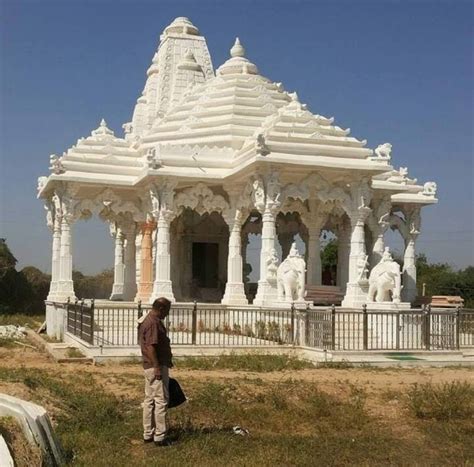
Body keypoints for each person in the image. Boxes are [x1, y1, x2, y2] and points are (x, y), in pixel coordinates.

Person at [138, 297, 173, 446]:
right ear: (161, 309)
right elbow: (151, 346)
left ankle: (148, 433)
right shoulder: (153, 323)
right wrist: (157, 367)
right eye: (166, 311)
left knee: (150, 400)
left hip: (149, 366)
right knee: (160, 401)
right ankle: (160, 436)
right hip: (155, 367)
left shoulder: (146, 319)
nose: (167, 314)